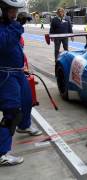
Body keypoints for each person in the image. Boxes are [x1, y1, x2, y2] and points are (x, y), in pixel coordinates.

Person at [0, 0, 27, 166]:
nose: (14, 14)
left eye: (16, 10)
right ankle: (2, 153)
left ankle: (25, 126)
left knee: (24, 104)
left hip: (15, 72)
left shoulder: (8, 24)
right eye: (11, 10)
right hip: (6, 75)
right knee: (11, 114)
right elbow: (4, 43)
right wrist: (17, 25)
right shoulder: (5, 26)